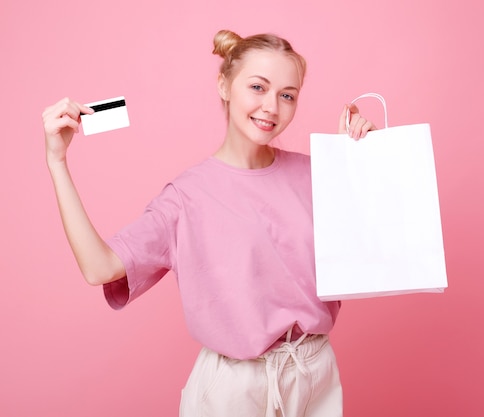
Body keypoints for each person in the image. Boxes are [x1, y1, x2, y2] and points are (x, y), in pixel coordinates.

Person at [42, 29, 375, 417]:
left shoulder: (317, 173)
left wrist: (365, 164)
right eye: (257, 87)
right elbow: (99, 267)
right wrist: (57, 161)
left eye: (287, 95)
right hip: (234, 390)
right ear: (224, 85)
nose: (272, 106)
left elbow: (370, 251)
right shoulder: (186, 197)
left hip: (314, 374)